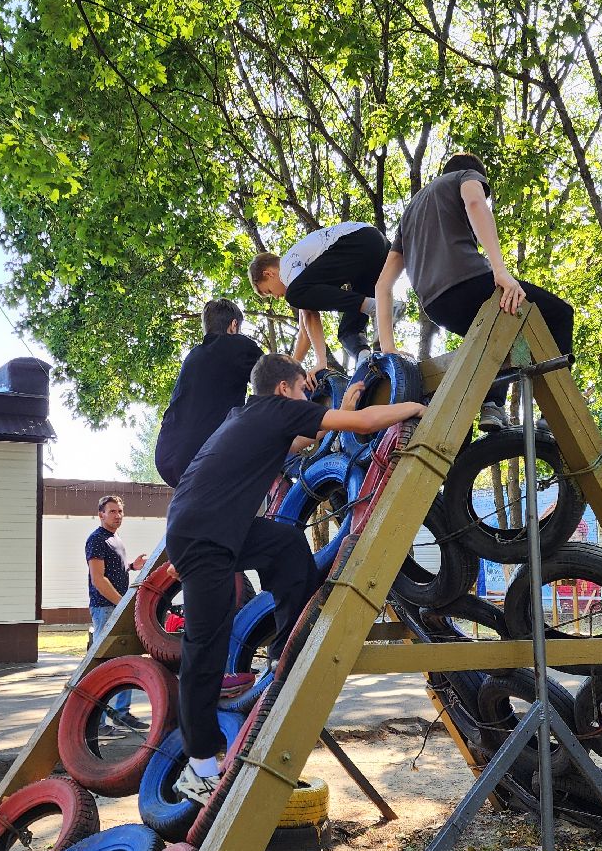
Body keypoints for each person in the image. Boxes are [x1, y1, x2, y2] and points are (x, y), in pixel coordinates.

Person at [166, 353, 426, 804]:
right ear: (284, 389)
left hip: (209, 525)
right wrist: (414, 409)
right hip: (205, 536)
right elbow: (363, 425)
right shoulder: (277, 408)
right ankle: (199, 767)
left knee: (284, 545)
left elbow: (300, 442)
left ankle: (286, 646)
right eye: (304, 390)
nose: (308, 396)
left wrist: (339, 405)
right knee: (205, 646)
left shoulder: (249, 416)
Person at [375, 153, 576, 431]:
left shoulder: (409, 214)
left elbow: (383, 284)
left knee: (505, 333)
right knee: (561, 314)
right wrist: (500, 271)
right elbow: (474, 201)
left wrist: (389, 349)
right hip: (470, 281)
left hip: (437, 306)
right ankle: (557, 413)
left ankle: (492, 405)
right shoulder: (464, 176)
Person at [155, 299, 265, 488]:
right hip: (205, 455)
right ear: (234, 325)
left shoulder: (193, 356)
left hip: (168, 458)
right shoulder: (237, 345)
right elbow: (274, 375)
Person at [249, 222, 391, 368]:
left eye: (270, 292)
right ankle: (365, 359)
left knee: (294, 295)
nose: (277, 297)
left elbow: (310, 315)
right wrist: (292, 368)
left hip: (360, 240)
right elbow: (306, 333)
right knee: (348, 332)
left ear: (269, 273)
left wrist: (321, 362)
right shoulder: (300, 273)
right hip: (379, 249)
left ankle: (377, 308)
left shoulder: (286, 266)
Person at [87, 495, 149, 732]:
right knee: (104, 664)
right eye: (112, 511)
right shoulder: (96, 540)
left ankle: (121, 714)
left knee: (127, 659)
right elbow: (99, 579)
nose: (117, 516)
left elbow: (115, 571)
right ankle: (98, 722)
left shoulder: (116, 539)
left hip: (118, 608)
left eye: (120, 511)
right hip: (105, 608)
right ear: (101, 514)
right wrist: (122, 603)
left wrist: (132, 566)